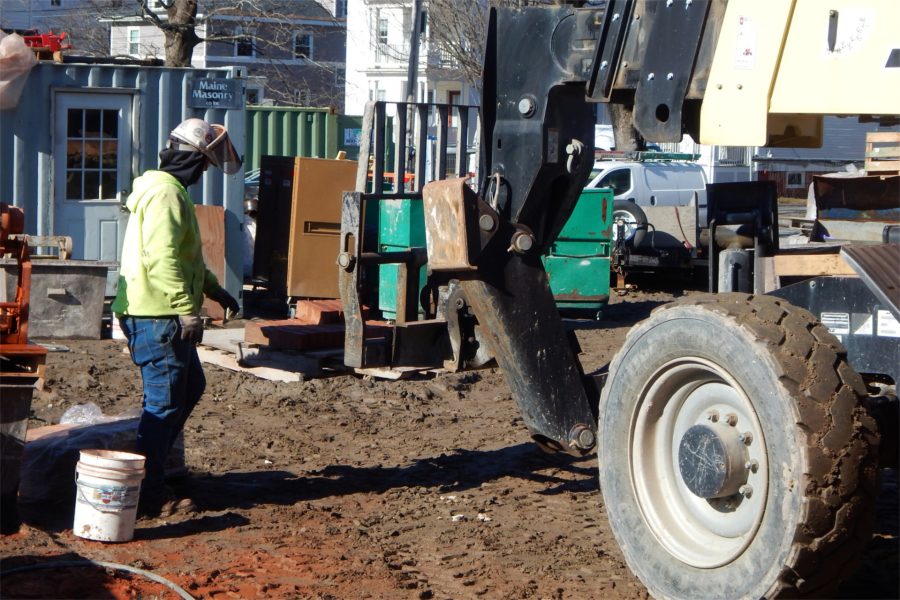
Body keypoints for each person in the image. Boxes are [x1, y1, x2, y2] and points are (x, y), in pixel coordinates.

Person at [112, 118, 242, 518]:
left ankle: (154, 471)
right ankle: (148, 495)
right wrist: (186, 309)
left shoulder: (168, 192)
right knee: (164, 404)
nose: (204, 172)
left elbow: (186, 255)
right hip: (157, 315)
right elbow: (163, 258)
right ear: (190, 158)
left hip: (158, 312)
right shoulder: (166, 195)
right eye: (203, 164)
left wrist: (211, 288)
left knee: (188, 388)